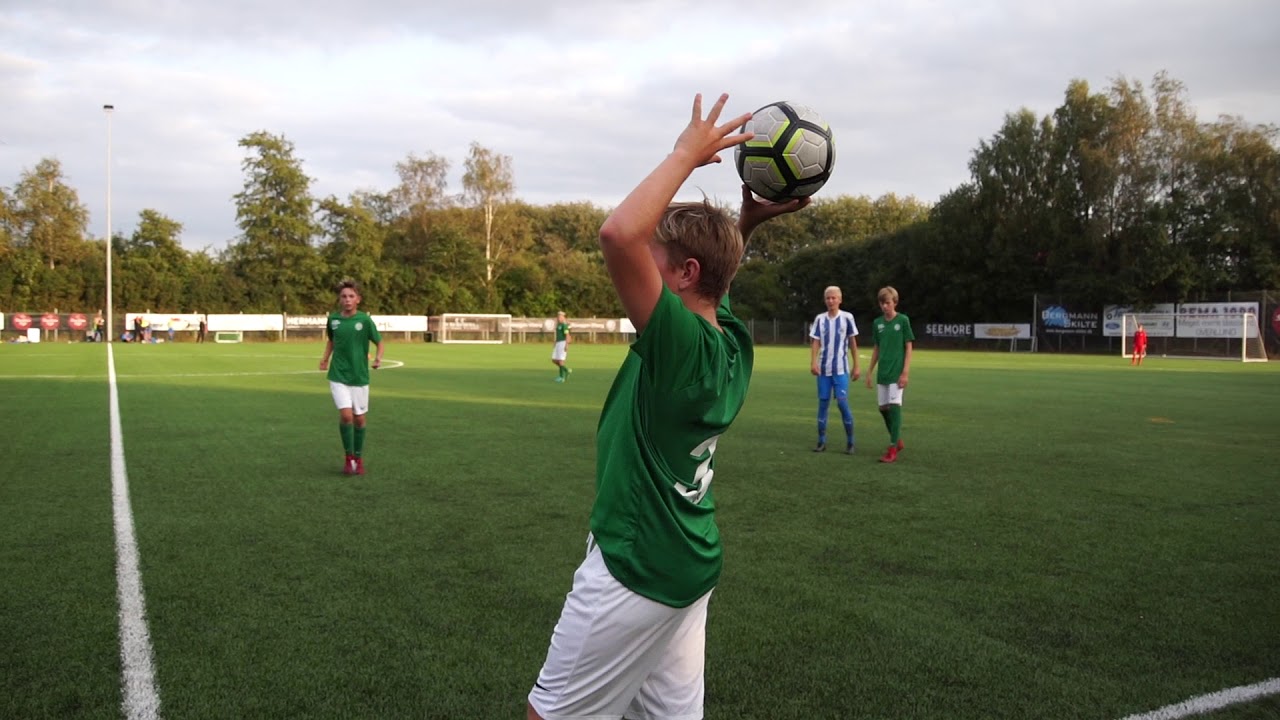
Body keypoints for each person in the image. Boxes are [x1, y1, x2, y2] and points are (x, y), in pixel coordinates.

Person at [527, 92, 810, 720]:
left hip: (636, 567)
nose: (640, 266)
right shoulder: (729, 341)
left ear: (682, 273)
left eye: (656, 259)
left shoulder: (679, 347)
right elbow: (717, 280)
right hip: (687, 566)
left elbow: (616, 232)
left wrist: (687, 154)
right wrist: (747, 224)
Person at [318, 280, 384, 476]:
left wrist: (378, 358)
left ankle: (358, 457)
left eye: (351, 296)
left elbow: (379, 342)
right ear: (340, 300)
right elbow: (331, 341)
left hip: (359, 376)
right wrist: (324, 359)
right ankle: (348, 458)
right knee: (346, 415)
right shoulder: (333, 320)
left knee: (360, 419)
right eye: (344, 296)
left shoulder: (364, 320)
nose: (347, 300)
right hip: (338, 374)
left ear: (358, 299)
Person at [864, 286, 915, 463]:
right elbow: (877, 348)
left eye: (888, 302)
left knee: (894, 406)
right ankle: (898, 440)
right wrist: (869, 371)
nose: (885, 306)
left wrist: (905, 372)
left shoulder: (903, 320)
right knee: (883, 409)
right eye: (882, 303)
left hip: (897, 372)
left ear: (895, 302)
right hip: (883, 372)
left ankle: (892, 448)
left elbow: (908, 347)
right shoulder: (877, 323)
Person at [809, 285, 860, 454]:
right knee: (823, 404)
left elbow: (852, 342)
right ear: (825, 300)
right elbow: (815, 341)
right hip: (824, 370)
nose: (831, 301)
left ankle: (851, 442)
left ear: (840, 299)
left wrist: (857, 365)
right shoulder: (820, 319)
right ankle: (821, 441)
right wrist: (813, 362)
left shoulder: (847, 318)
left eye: (834, 298)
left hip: (840, 369)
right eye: (828, 298)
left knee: (842, 404)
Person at [551, 311, 572, 382]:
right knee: (554, 359)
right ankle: (566, 370)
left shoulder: (564, 325)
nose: (558, 318)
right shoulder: (558, 325)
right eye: (558, 316)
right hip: (558, 343)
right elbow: (558, 335)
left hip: (563, 343)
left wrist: (566, 345)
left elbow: (567, 335)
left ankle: (561, 377)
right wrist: (555, 341)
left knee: (561, 360)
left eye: (560, 316)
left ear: (563, 317)